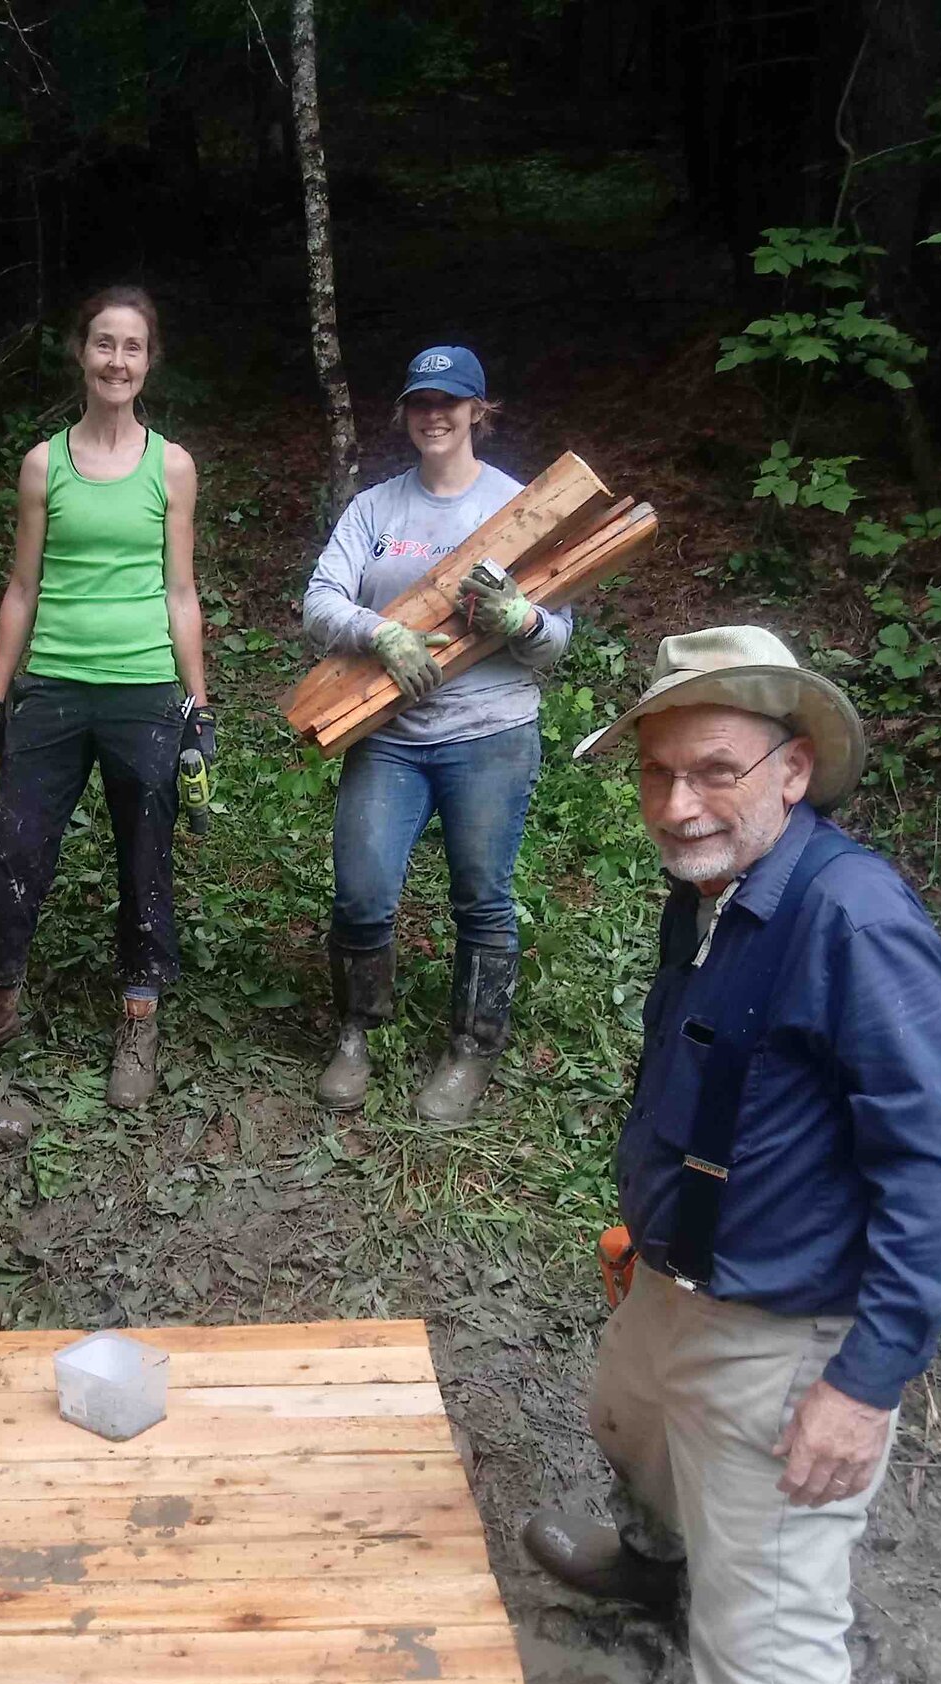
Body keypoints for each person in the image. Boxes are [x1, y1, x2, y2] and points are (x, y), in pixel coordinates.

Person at [524, 627, 941, 1684]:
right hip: (683, 1274)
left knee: (771, 1645)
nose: (678, 805)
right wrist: (656, 1225)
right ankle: (657, 1569)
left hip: (789, 1330)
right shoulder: (712, 895)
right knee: (625, 1421)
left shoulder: (852, 922)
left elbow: (937, 1177)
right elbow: (699, 1078)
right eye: (657, 773)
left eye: (714, 770)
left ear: (793, 769)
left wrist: (862, 1386)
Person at [300, 344, 573, 1125]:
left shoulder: (522, 506)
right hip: (390, 731)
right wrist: (379, 633)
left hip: (492, 732)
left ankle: (474, 1046)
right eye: (421, 400)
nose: (434, 414)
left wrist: (522, 620)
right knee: (361, 892)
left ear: (478, 411)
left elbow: (556, 637)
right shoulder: (377, 509)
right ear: (406, 412)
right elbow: (320, 600)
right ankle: (357, 1031)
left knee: (482, 898)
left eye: (450, 401)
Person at [0, 286, 211, 1109]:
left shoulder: (171, 466)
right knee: (16, 840)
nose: (116, 360)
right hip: (55, 682)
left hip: (142, 686)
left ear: (149, 361)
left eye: (132, 347)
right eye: (104, 343)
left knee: (145, 849)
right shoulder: (45, 463)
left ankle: (139, 1013)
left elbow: (180, 591)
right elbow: (23, 587)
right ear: (81, 352)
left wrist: (197, 707)